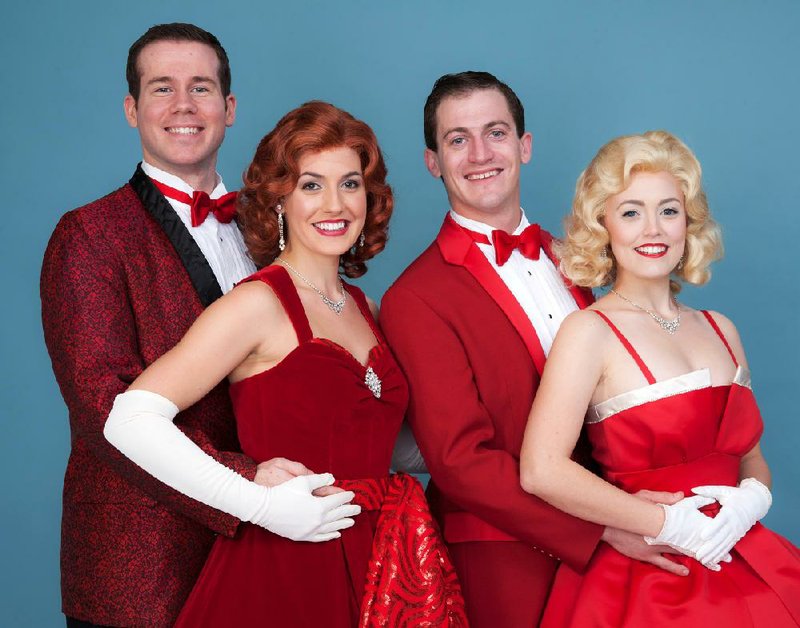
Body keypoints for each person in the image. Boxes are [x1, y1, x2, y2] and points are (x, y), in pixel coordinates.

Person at [103, 101, 467, 627]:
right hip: (286, 562)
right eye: (311, 185)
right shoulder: (258, 304)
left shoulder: (373, 310)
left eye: (350, 183)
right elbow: (129, 420)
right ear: (280, 200)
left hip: (381, 560)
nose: (334, 203)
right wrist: (258, 505)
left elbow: (387, 442)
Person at [380, 71, 683, 628]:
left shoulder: (581, 262)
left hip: (628, 532)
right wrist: (599, 527)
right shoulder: (414, 298)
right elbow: (458, 462)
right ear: (432, 161)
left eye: (495, 133)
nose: (478, 154)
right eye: (456, 139)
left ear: (524, 146)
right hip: (506, 557)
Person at [39, 23, 290, 627]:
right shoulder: (88, 236)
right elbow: (106, 413)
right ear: (132, 110)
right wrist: (252, 484)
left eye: (200, 88)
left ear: (228, 108)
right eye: (161, 89)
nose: (183, 106)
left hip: (268, 556)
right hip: (144, 573)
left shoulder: (274, 233)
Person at [520, 130, 800, 626]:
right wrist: (670, 523)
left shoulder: (721, 328)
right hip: (647, 576)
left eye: (668, 210)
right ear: (603, 224)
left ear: (688, 223)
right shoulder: (588, 331)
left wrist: (752, 501)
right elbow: (542, 469)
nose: (653, 229)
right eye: (631, 212)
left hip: (745, 557)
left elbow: (751, 461)